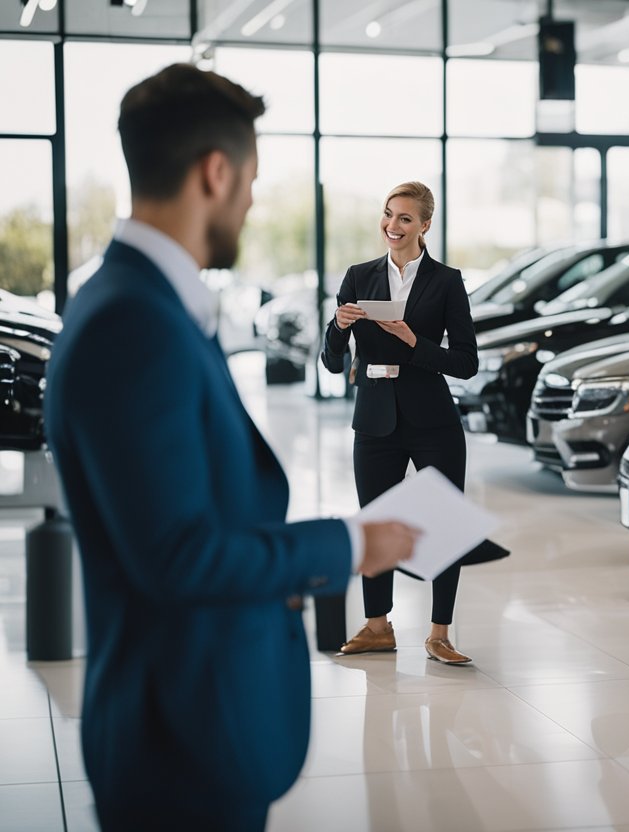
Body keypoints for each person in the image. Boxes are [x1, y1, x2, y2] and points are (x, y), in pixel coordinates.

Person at [44, 64, 418, 831]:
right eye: (249, 178)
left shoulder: (141, 302)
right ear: (216, 172)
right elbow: (178, 555)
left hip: (192, 717)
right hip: (179, 737)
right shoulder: (133, 324)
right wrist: (349, 542)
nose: (251, 199)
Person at [321, 181, 479, 664]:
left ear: (425, 225)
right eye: (389, 215)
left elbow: (467, 362)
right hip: (374, 418)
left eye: (405, 218)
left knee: (444, 523)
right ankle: (376, 626)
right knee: (375, 523)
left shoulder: (447, 281)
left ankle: (439, 633)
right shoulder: (358, 275)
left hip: (433, 419)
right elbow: (330, 363)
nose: (393, 225)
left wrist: (415, 342)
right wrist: (339, 327)